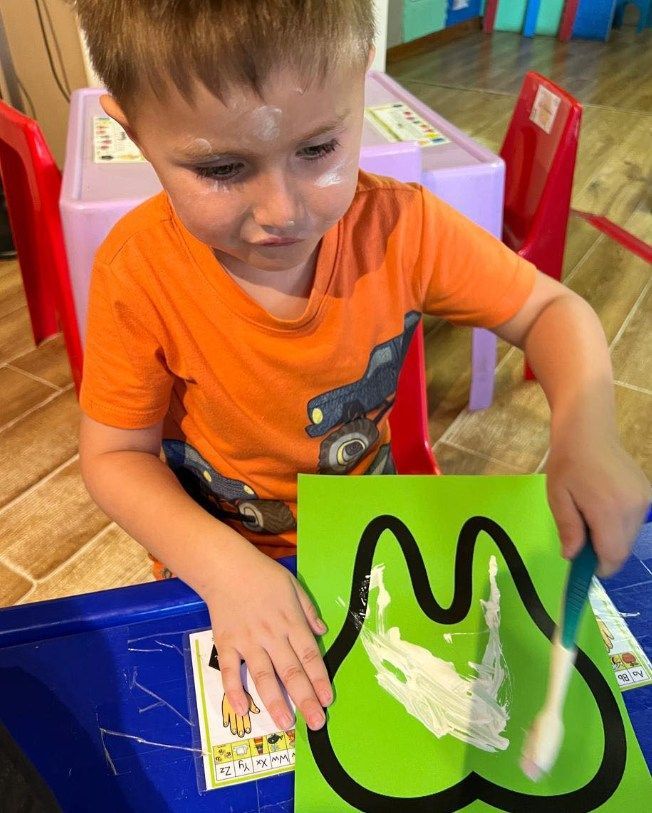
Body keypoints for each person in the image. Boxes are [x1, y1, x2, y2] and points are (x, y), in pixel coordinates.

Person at [72, 0, 650, 738]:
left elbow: (551, 311)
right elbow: (116, 455)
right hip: (218, 561)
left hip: (372, 545)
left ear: (360, 99)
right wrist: (221, 567)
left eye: (318, 149)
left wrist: (587, 429)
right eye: (221, 167)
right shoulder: (139, 271)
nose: (281, 210)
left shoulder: (404, 229)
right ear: (136, 138)